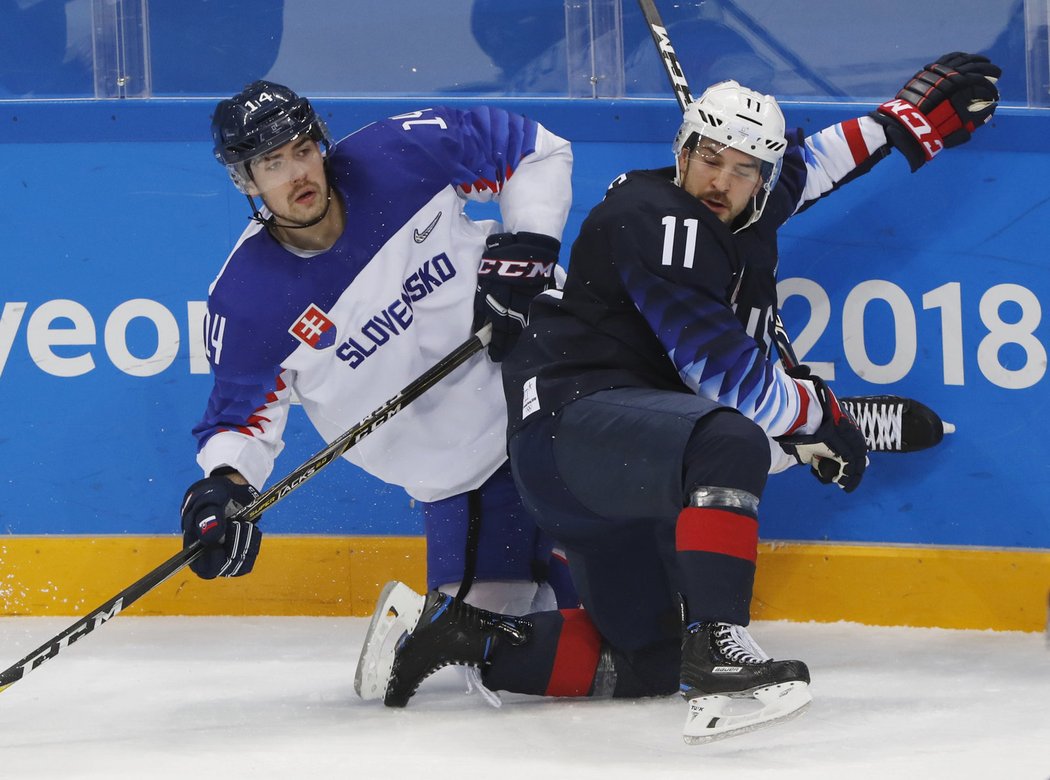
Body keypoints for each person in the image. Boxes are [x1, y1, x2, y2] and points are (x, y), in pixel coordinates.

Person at [354, 53, 1001, 742]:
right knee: (730, 439)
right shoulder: (655, 217)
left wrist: (899, 124)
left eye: (744, 168)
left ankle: (455, 637)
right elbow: (725, 374)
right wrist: (826, 417)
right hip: (577, 432)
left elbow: (812, 164)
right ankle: (718, 644)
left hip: (627, 468)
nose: (722, 181)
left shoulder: (739, 208)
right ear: (682, 151)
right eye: (710, 159)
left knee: (647, 659)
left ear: (762, 177)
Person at [179, 81, 576, 618]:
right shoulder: (246, 300)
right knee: (494, 647)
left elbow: (535, 147)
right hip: (460, 470)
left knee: (638, 603)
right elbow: (241, 418)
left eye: (303, 149)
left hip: (557, 392)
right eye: (272, 163)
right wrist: (223, 489)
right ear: (245, 180)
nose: (298, 173)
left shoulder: (396, 154)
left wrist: (527, 252)